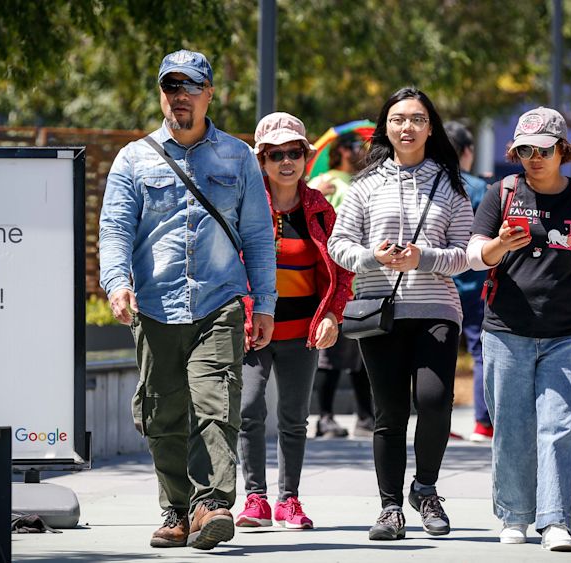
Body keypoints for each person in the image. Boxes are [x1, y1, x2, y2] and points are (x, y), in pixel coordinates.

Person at [98, 49, 276, 551]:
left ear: (210, 93)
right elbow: (114, 230)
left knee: (215, 404)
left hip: (219, 303)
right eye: (171, 87)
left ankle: (213, 505)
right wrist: (116, 282)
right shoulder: (133, 158)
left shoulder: (237, 156)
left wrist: (264, 303)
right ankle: (177, 511)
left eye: (190, 86)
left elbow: (259, 236)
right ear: (161, 94)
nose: (180, 96)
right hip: (155, 305)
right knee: (163, 413)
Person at [328, 87, 473, 540]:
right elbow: (339, 246)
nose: (405, 127)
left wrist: (422, 258)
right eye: (396, 119)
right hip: (380, 311)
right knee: (389, 413)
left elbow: (466, 253)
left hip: (436, 308)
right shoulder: (364, 186)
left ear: (431, 128)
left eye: (415, 119)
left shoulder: (450, 186)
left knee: (433, 402)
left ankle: (425, 489)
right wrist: (374, 257)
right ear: (385, 128)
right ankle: (390, 508)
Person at [467, 106, 571, 552]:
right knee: (511, 427)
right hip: (506, 331)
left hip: (566, 333)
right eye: (524, 149)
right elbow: (474, 255)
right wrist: (498, 246)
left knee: (561, 426)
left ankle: (556, 521)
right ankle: (514, 515)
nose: (533, 157)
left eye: (543, 150)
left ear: (562, 151)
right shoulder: (502, 192)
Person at [235, 112, 354, 530]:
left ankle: (289, 500)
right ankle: (254, 498)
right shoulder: (245, 206)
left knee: (292, 417)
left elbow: (340, 272)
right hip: (254, 328)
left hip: (303, 330)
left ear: (306, 157)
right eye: (274, 155)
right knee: (248, 409)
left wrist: (333, 316)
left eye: (294, 153)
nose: (286, 162)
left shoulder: (320, 209)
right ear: (261, 161)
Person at [310, 132, 375, 438]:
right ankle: (327, 416)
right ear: (342, 152)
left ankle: (361, 417)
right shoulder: (337, 182)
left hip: (351, 277)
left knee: (355, 352)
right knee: (337, 351)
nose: (360, 152)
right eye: (354, 147)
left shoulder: (351, 181)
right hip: (343, 278)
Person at [444, 120, 493, 441]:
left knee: (437, 352)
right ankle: (482, 423)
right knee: (481, 351)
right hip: (476, 282)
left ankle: (439, 424)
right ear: (466, 152)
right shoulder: (479, 189)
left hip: (440, 281)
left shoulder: (431, 185)